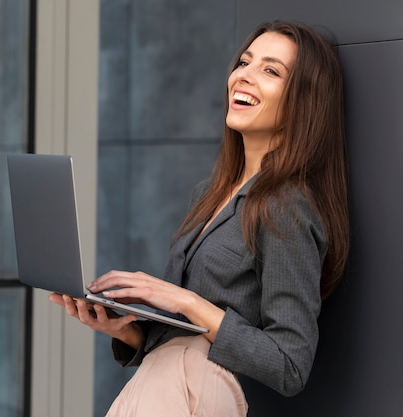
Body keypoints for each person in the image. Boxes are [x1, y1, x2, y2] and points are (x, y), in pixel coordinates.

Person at [50, 19, 349, 417]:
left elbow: (289, 365)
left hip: (196, 385)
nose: (244, 76)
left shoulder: (287, 205)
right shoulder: (209, 192)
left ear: (304, 101)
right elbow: (184, 332)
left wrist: (185, 300)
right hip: (161, 379)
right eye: (244, 62)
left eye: (270, 70)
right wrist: (127, 331)